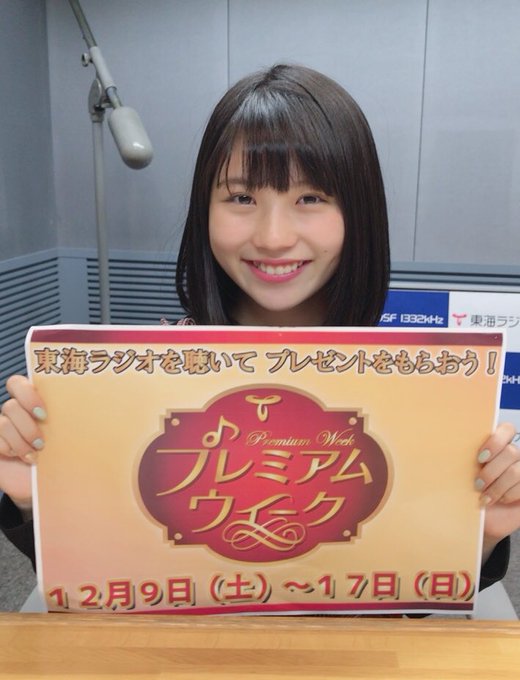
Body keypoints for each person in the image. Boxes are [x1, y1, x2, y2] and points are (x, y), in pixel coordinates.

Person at [0, 64, 519, 590]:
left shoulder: (419, 389)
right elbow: (111, 581)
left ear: (358, 211)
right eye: (241, 198)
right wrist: (33, 496)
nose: (273, 238)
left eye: (310, 199)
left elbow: (410, 598)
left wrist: (479, 533)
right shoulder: (138, 384)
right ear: (204, 208)